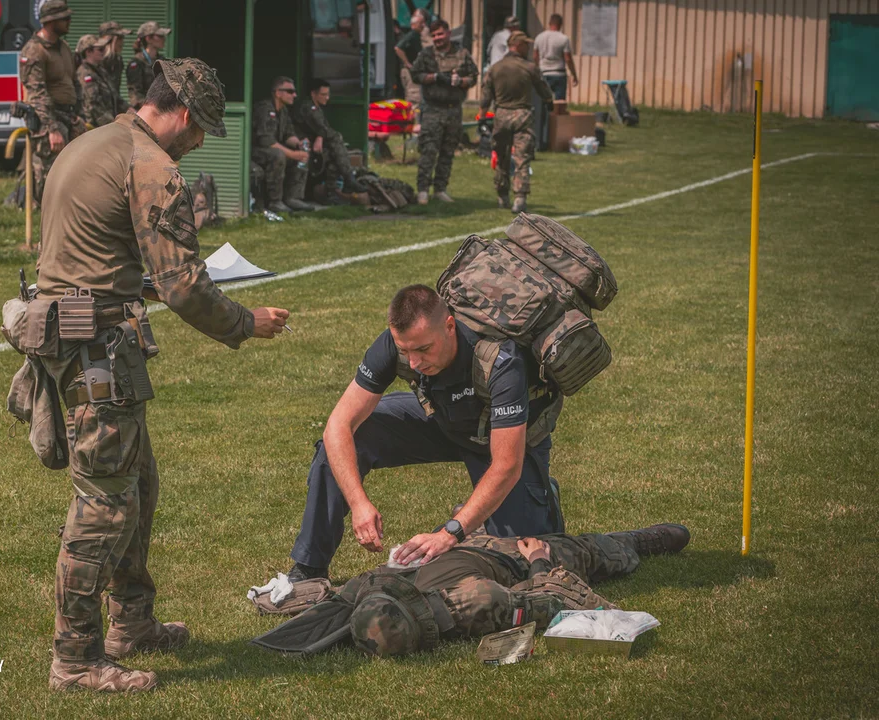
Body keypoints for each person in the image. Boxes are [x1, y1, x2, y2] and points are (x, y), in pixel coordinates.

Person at [34, 57, 291, 692]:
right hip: (96, 353)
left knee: (137, 486)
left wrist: (131, 284)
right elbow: (185, 289)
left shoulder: (97, 140)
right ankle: (76, 658)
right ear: (178, 114)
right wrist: (244, 322)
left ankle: (133, 623)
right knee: (105, 504)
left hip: (76, 335)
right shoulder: (152, 166)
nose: (201, 141)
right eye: (200, 128)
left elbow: (91, 251)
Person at [286, 284, 564, 583]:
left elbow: (507, 465)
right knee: (345, 440)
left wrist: (449, 533)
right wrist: (358, 502)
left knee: (519, 560)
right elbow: (338, 425)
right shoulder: (396, 343)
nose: (414, 362)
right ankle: (309, 569)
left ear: (449, 326)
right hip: (443, 420)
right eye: (405, 351)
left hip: (501, 439)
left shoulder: (501, 360)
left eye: (423, 349)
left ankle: (537, 494)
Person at [256, 524, 691, 657]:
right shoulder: (478, 605)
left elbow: (327, 607)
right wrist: (539, 557)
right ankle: (644, 540)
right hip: (511, 557)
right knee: (600, 553)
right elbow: (555, 596)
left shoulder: (371, 594)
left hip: (461, 539)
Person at [18, 0, 84, 205]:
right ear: (50, 21)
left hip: (68, 117)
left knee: (73, 174)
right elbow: (37, 93)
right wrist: (51, 128)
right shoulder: (34, 50)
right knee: (49, 178)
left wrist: (77, 114)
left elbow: (73, 82)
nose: (69, 21)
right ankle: (42, 222)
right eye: (65, 18)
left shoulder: (63, 47)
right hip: (49, 120)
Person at [482, 31, 554, 213]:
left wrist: (483, 115)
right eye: (526, 45)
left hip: (501, 115)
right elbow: (544, 90)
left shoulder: (495, 68)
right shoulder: (529, 68)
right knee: (522, 158)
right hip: (522, 115)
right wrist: (549, 102)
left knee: (502, 157)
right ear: (518, 45)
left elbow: (485, 96)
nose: (528, 48)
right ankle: (520, 197)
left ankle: (502, 195)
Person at [410, 19, 477, 205]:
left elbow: (473, 76)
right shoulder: (426, 55)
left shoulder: (462, 54)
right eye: (434, 35)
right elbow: (415, 74)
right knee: (428, 151)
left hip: (454, 110)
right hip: (433, 109)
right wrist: (434, 77)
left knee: (448, 151)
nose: (437, 38)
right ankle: (422, 190)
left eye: (440, 34)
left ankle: (440, 189)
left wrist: (461, 82)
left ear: (448, 33)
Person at [291, 79, 368, 205]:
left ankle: (331, 192)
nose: (327, 98)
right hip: (301, 145)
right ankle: (348, 178)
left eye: (328, 94)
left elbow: (322, 130)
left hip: (313, 146)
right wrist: (322, 136)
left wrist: (320, 137)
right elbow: (325, 130)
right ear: (313, 94)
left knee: (335, 156)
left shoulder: (316, 107)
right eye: (324, 95)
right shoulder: (308, 107)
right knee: (336, 139)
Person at [251, 76, 314, 213]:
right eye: (290, 91)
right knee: (278, 155)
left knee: (303, 153)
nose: (294, 95)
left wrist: (299, 143)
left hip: (270, 150)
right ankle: (275, 201)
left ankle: (293, 197)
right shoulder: (265, 109)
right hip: (256, 151)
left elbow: (288, 134)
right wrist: (292, 154)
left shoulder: (283, 111)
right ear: (278, 93)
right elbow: (266, 141)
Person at [76, 34, 128, 128]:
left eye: (104, 48)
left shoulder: (101, 71)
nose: (104, 52)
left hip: (106, 125)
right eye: (100, 49)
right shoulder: (85, 73)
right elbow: (93, 105)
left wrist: (129, 110)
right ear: (88, 52)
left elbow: (114, 96)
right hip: (94, 127)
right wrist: (112, 124)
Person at [533, 13, 579, 101]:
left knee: (543, 101)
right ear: (560, 25)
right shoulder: (563, 38)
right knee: (560, 102)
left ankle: (545, 114)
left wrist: (537, 69)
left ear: (549, 23)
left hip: (544, 72)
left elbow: (535, 56)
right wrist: (574, 74)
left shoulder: (539, 37)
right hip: (559, 73)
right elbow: (568, 59)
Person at [126, 22, 171, 109]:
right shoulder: (136, 63)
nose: (164, 39)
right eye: (160, 36)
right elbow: (135, 94)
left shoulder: (162, 61)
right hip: (146, 111)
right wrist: (151, 108)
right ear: (148, 39)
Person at [395, 8, 430, 117]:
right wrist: (407, 62)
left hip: (411, 72)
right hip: (410, 72)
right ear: (414, 24)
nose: (423, 25)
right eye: (421, 23)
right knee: (414, 98)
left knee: (414, 98)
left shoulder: (416, 35)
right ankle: (413, 124)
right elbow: (398, 48)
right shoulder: (412, 35)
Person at [98, 20, 131, 92]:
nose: (122, 42)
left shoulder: (118, 60)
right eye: (119, 38)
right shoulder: (97, 60)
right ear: (108, 39)